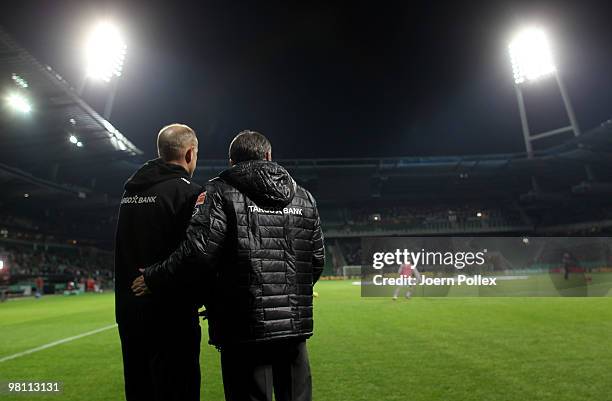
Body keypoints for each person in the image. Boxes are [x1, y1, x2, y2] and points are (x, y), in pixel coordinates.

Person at [132, 130, 325, 401]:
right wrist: (288, 296)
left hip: (242, 328)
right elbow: (317, 260)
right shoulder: (304, 197)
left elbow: (198, 252)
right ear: (269, 156)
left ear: (232, 161)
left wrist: (154, 277)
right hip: (293, 326)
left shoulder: (219, 192)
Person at [114, 123, 203, 401]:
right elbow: (195, 253)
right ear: (190, 154)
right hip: (171, 315)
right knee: (178, 389)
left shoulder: (130, 192)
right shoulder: (189, 193)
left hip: (130, 312)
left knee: (139, 389)